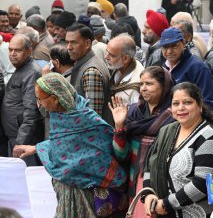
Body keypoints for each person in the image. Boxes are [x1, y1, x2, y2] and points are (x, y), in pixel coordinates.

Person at [13, 73, 127, 217]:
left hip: (84, 196)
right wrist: (36, 148)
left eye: (39, 99)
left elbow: (110, 151)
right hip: (65, 194)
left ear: (54, 99)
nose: (39, 104)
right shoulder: (58, 116)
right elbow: (61, 145)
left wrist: (119, 126)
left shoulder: (87, 120)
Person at [142, 82, 213, 218]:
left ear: (199, 105)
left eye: (187, 102)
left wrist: (166, 204)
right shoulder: (166, 131)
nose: (181, 108)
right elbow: (150, 165)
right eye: (175, 103)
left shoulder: (209, 138)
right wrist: (148, 194)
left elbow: (203, 184)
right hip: (162, 211)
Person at [110, 66, 176, 217]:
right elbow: (122, 155)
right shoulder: (133, 112)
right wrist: (119, 126)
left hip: (162, 182)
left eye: (149, 84)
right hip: (135, 178)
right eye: (141, 84)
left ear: (164, 86)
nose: (144, 88)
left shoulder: (175, 115)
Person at [0, 34, 44, 165]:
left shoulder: (31, 72)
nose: (12, 54)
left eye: (17, 50)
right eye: (10, 50)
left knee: (27, 176)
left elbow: (31, 112)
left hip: (24, 139)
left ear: (29, 51)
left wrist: (20, 143)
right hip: (15, 134)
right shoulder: (21, 68)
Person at [66, 23, 113, 124]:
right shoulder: (84, 63)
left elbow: (93, 119)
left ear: (87, 43)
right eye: (67, 42)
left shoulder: (91, 72)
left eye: (73, 42)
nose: (69, 47)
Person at [160, 27, 213, 109]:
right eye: (165, 47)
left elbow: (206, 102)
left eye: (174, 46)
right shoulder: (163, 68)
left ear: (184, 43)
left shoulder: (198, 67)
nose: (169, 51)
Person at [106, 34, 144, 105]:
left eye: (112, 55)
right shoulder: (120, 66)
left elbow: (136, 114)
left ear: (125, 58)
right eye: (107, 52)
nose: (106, 57)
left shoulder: (136, 89)